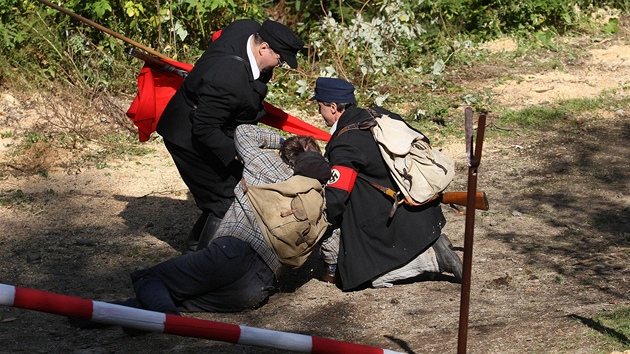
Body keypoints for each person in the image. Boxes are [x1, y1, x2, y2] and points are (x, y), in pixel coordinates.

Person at [131, 125, 331, 315]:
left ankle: (163, 323)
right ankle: (115, 316)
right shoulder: (319, 199)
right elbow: (331, 238)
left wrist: (283, 141)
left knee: (149, 278)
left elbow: (244, 132)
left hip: (231, 253)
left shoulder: (266, 163)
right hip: (256, 287)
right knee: (172, 298)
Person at [156, 19, 305, 253]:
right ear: (263, 48)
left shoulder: (247, 29)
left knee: (234, 189)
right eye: (280, 58)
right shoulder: (230, 78)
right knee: (227, 199)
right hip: (188, 135)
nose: (280, 65)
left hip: (212, 120)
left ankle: (195, 247)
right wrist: (243, 155)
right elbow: (204, 128)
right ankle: (200, 265)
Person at [311, 77, 463, 290]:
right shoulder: (380, 114)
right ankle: (433, 244)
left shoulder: (344, 143)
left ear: (333, 107)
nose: (320, 113)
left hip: (393, 218)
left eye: (320, 106)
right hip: (425, 213)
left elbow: (336, 197)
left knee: (357, 276)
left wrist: (318, 220)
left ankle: (433, 258)